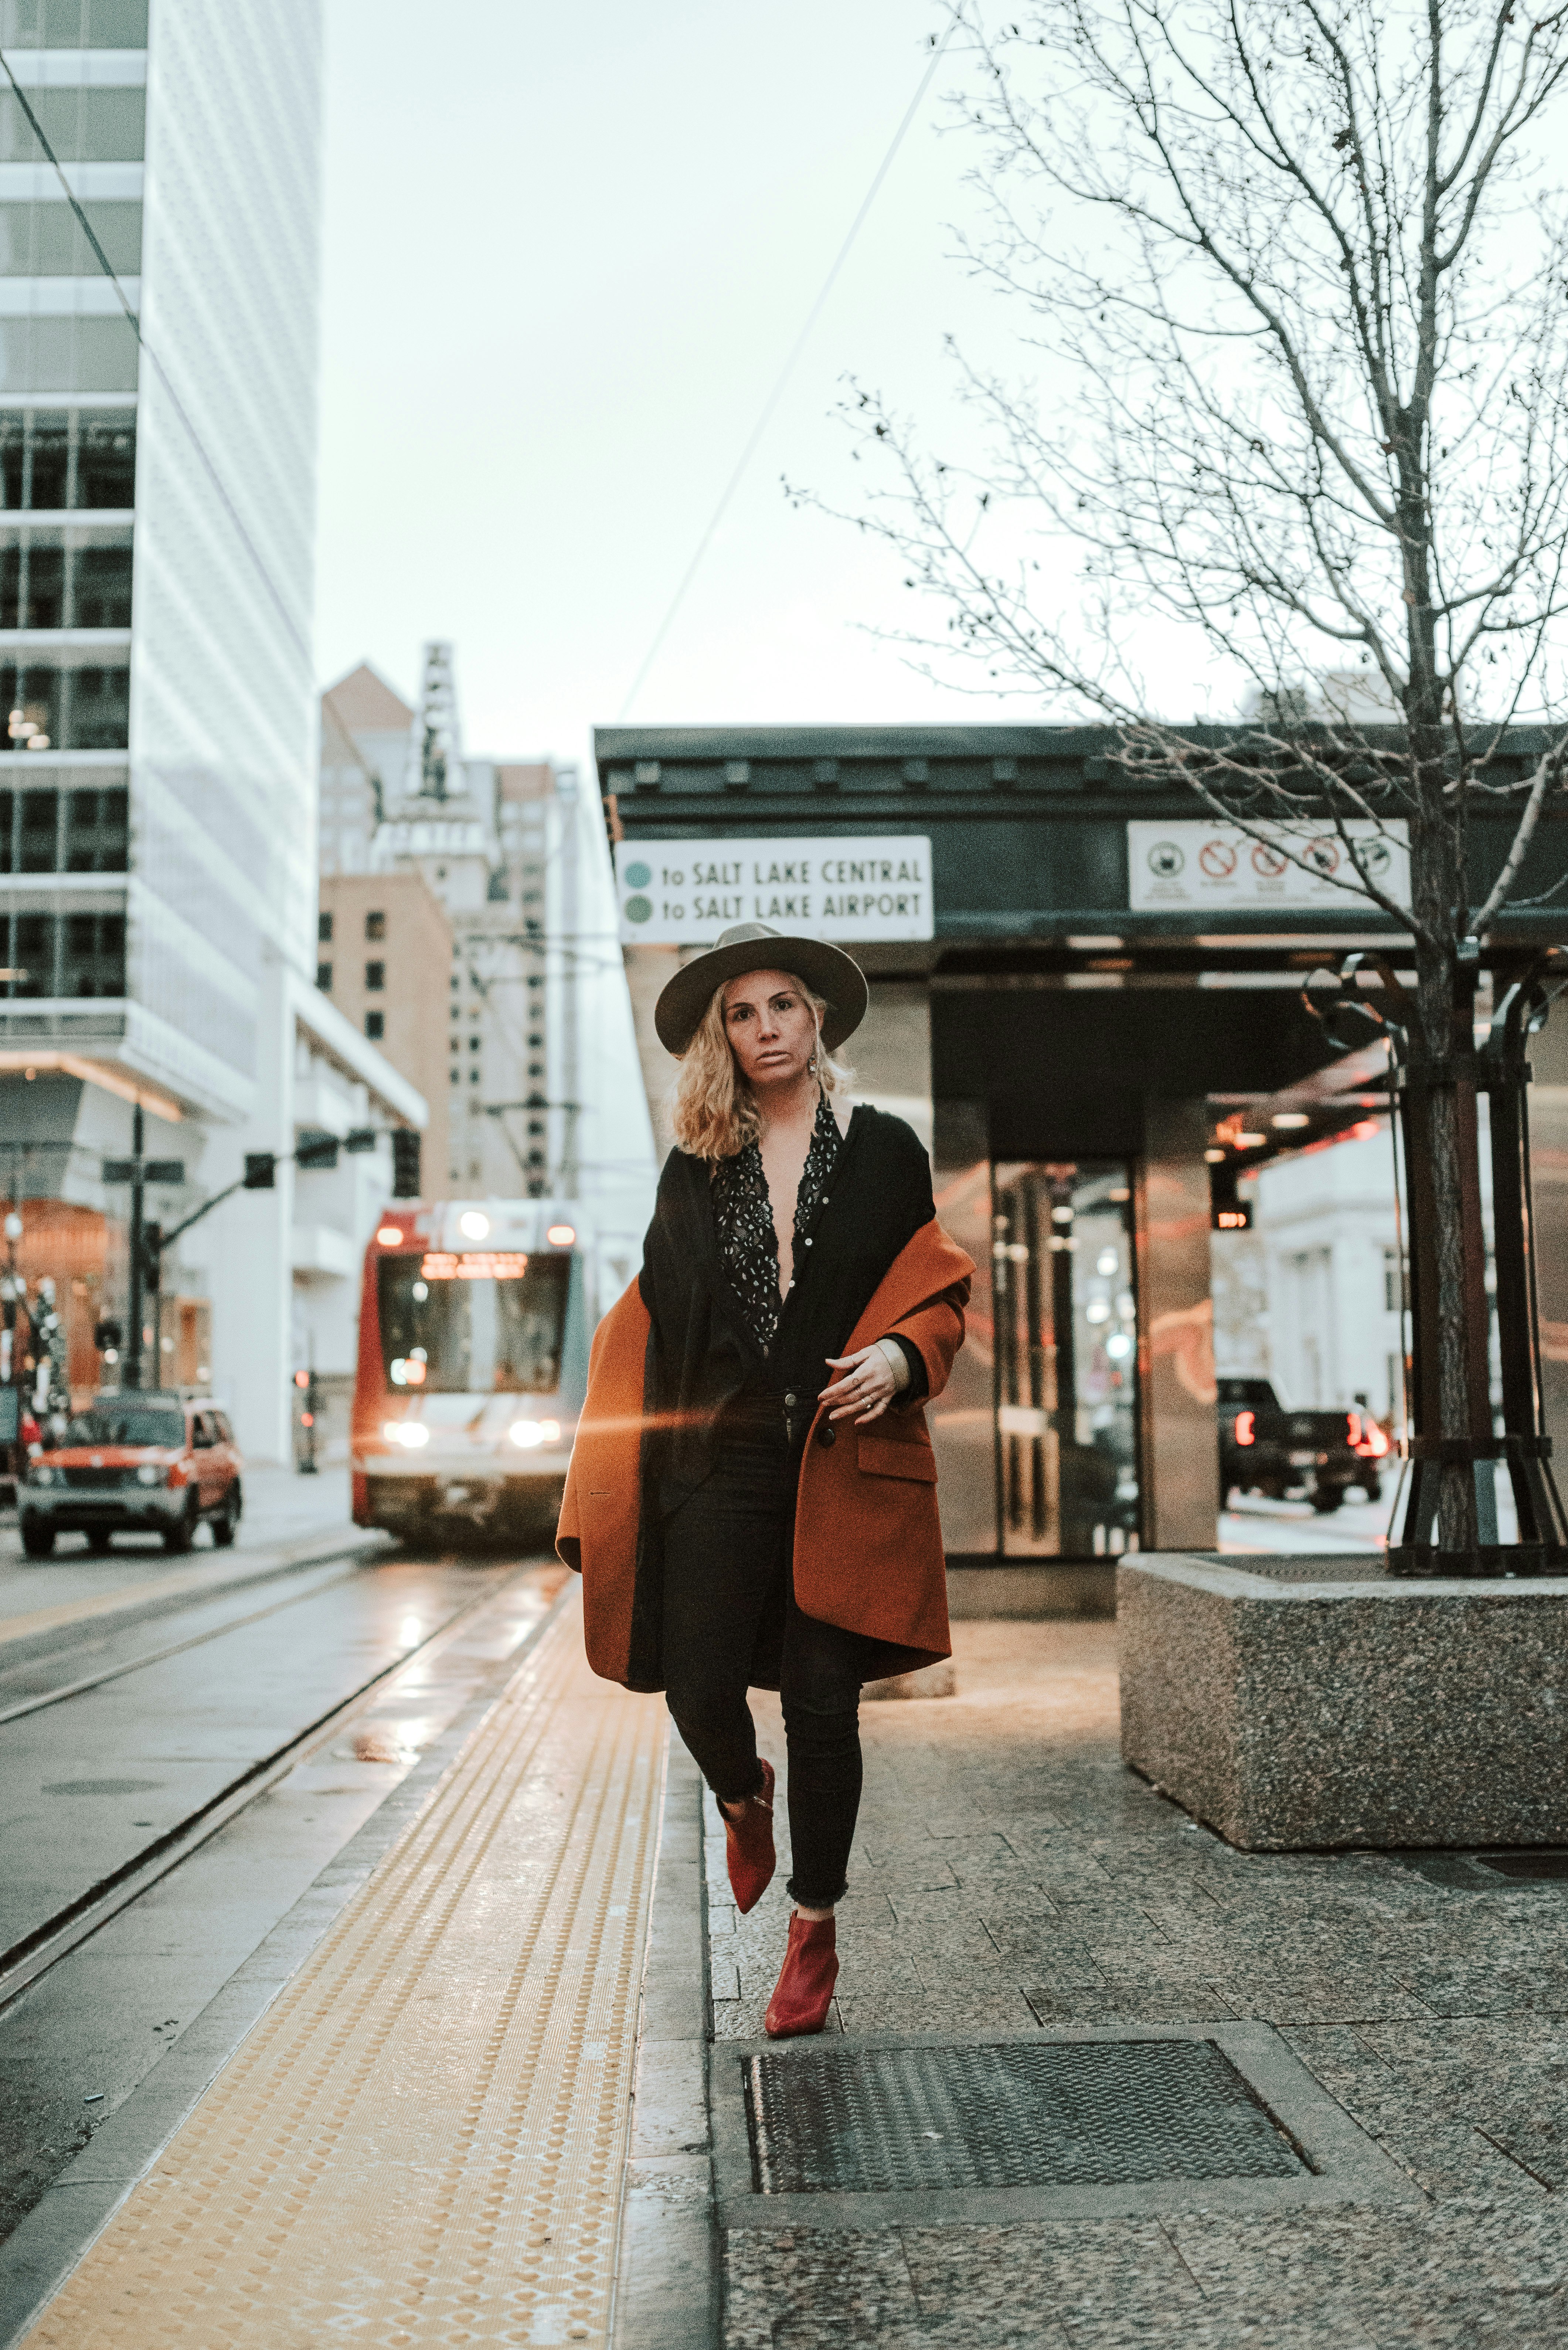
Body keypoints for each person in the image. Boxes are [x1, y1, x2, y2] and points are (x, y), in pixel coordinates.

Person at [558, 921, 972, 2036]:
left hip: (837, 1462)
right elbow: (656, 1321)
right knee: (695, 1689)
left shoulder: (885, 1151)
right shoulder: (695, 1166)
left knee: (823, 1705)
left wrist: (900, 1357)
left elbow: (934, 1292)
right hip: (721, 1461)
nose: (764, 1029)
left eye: (780, 1005)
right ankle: (745, 1800)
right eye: (740, 1014)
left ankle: (813, 1926)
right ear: (721, 1038)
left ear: (817, 1016)